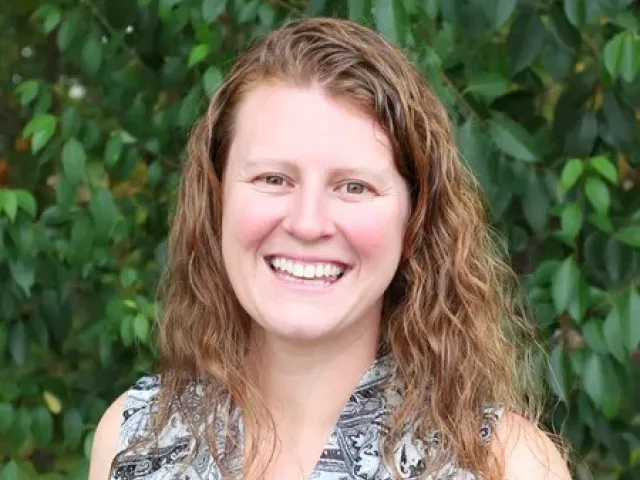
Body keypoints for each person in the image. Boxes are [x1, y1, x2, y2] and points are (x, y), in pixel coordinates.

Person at [89, 17, 571, 480]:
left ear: (415, 219)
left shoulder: (503, 466)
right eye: (272, 179)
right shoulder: (134, 439)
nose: (308, 222)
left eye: (355, 187)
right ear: (216, 201)